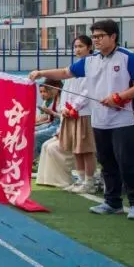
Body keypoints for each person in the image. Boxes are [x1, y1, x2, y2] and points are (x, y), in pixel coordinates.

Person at [30, 19, 134, 220]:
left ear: (113, 37)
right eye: (94, 36)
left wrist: (120, 97)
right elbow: (65, 72)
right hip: (99, 120)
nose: (96, 40)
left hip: (124, 120)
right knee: (106, 162)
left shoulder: (127, 58)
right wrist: (41, 73)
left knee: (127, 162)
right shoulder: (90, 61)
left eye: (100, 36)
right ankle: (112, 202)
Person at [59, 36, 98, 194]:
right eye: (75, 46)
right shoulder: (74, 67)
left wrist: (75, 106)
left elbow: (88, 91)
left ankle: (90, 181)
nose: (77, 49)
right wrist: (63, 107)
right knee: (76, 149)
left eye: (81, 46)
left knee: (86, 149)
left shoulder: (92, 67)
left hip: (84, 113)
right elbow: (65, 90)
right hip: (70, 114)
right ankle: (81, 180)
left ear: (89, 47)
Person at [34, 78, 62, 158]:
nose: (48, 92)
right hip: (53, 124)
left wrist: (51, 113)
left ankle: (36, 158)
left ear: (57, 88)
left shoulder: (61, 99)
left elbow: (51, 119)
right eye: (41, 92)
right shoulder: (53, 99)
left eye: (48, 90)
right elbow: (49, 119)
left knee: (35, 135)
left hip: (59, 125)